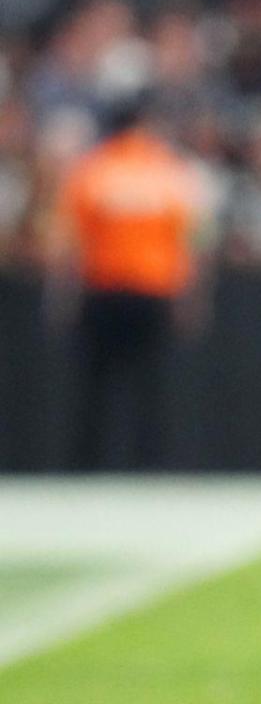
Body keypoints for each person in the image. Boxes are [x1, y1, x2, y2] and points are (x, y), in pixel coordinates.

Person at [47, 95, 207, 470]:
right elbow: (191, 242)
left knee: (94, 387)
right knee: (151, 388)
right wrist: (191, 299)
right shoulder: (168, 170)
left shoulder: (93, 169)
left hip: (103, 291)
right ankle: (149, 468)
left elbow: (70, 243)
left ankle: (85, 468)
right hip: (153, 292)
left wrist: (62, 297)